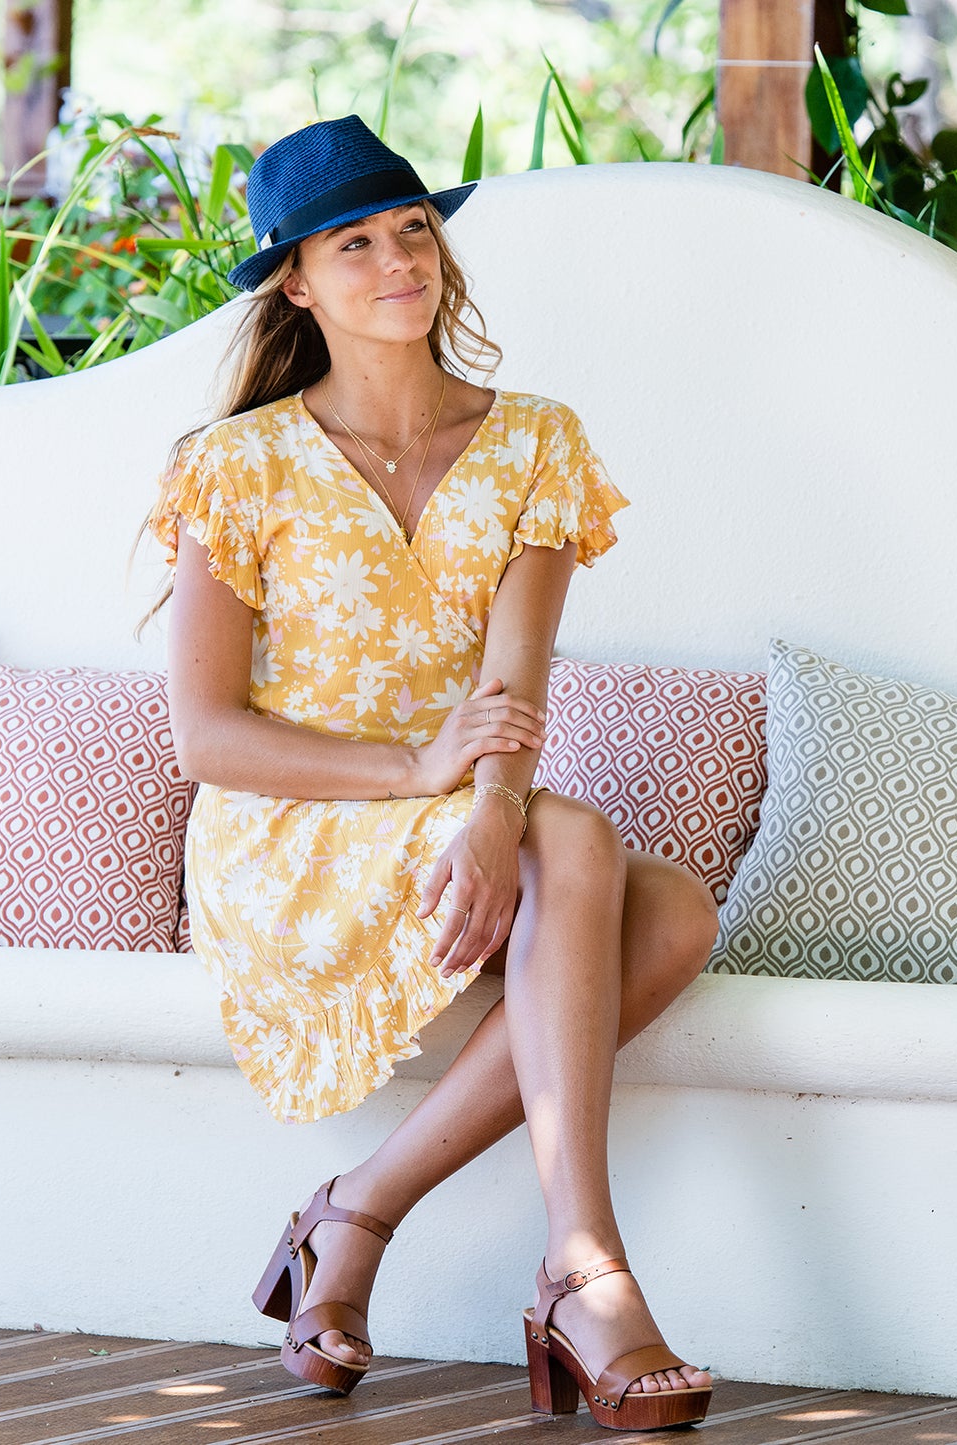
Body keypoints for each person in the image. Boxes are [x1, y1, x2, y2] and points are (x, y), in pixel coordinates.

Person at [144, 114, 719, 1433]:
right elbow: (204, 737)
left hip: (463, 807)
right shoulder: (234, 467)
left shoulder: (532, 445)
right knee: (577, 847)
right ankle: (584, 1269)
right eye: (355, 241)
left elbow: (514, 686)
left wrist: (487, 807)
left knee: (669, 905)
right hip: (290, 828)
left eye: (414, 228)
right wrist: (421, 770)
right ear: (295, 278)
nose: (401, 258)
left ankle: (359, 1211)